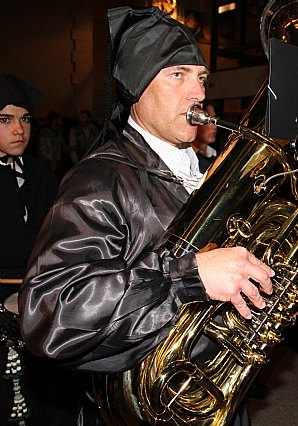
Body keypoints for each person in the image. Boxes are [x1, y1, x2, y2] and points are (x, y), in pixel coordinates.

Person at [18, 7, 278, 425]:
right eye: (178, 74)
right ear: (138, 86)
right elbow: (51, 315)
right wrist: (187, 277)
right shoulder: (99, 178)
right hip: (140, 413)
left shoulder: (200, 173)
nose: (198, 92)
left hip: (209, 397)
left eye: (201, 78)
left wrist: (260, 287)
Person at [1, 73, 79, 425]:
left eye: (25, 119)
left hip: (39, 302)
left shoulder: (37, 171)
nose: (19, 129)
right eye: (5, 119)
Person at [190, 101, 218, 173]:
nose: (214, 126)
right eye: (207, 121)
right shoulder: (187, 158)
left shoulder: (217, 155)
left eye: (214, 120)